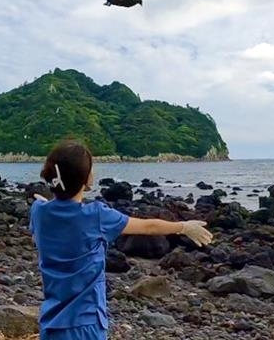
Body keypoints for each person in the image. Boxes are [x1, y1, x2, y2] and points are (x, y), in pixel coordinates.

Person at [29, 140, 213, 340]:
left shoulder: (39, 211)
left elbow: (56, 215)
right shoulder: (96, 216)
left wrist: (49, 204)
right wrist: (184, 227)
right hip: (85, 323)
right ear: (86, 179)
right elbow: (148, 226)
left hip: (51, 323)